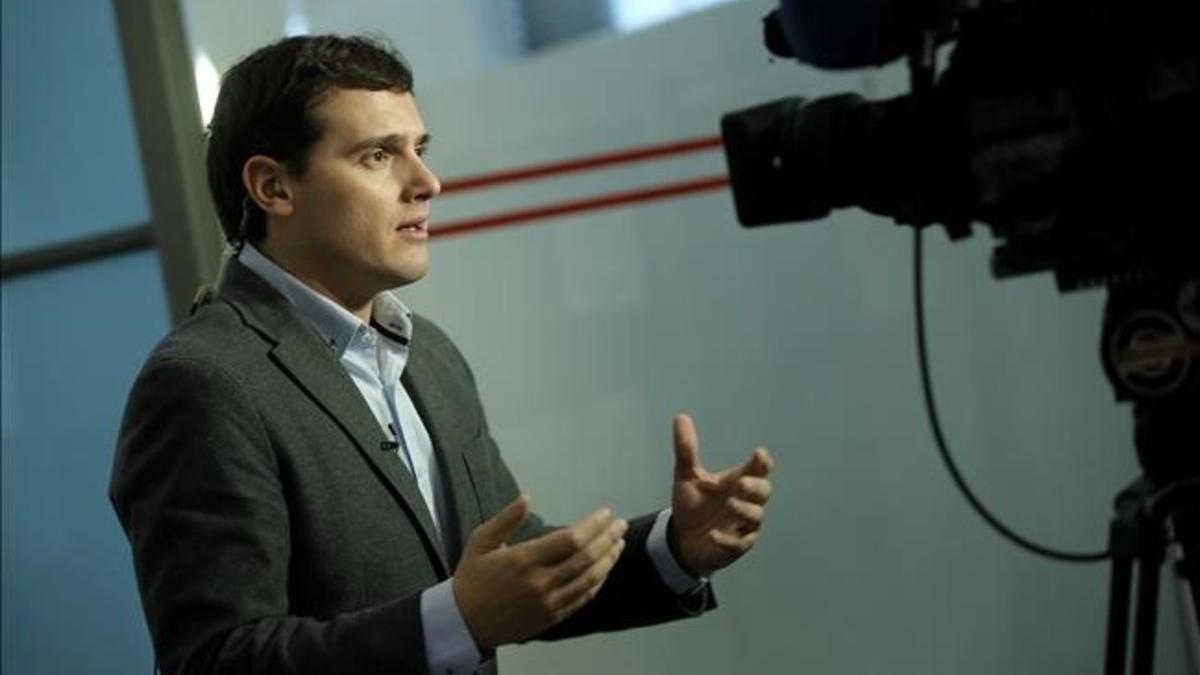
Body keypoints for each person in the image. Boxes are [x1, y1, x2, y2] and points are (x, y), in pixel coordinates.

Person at [110, 34, 774, 675]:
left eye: (420, 150)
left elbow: (507, 565)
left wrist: (674, 547)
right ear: (274, 187)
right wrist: (457, 619)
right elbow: (216, 658)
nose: (427, 181)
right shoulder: (203, 382)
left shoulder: (428, 352)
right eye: (377, 155)